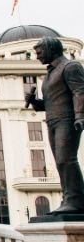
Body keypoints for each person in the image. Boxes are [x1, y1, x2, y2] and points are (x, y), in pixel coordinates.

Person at [26, 36, 84, 214]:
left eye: (39, 52)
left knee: (66, 159)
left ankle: (76, 201)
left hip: (67, 120)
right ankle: (69, 198)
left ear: (51, 49)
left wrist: (80, 115)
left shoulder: (70, 67)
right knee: (61, 162)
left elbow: (79, 91)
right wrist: (35, 102)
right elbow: (50, 102)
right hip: (52, 120)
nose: (37, 56)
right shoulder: (50, 73)